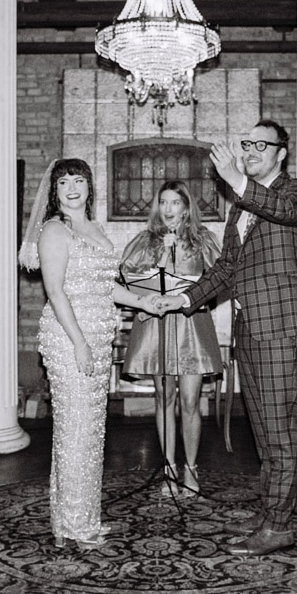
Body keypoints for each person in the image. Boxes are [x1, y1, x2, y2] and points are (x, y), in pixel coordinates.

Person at [158, 119, 297, 556]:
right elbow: (227, 269)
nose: (250, 150)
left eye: (260, 145)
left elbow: (280, 211)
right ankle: (271, 515)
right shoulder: (240, 208)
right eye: (245, 144)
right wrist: (183, 299)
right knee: (265, 433)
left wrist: (238, 181)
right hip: (250, 332)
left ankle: (279, 526)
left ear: (281, 152)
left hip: (283, 329)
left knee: (280, 430)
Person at [18, 158, 159, 552]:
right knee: (76, 433)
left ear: (89, 186)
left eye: (79, 180)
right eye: (64, 182)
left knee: (88, 433)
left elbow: (105, 286)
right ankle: (77, 526)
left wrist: (145, 302)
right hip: (69, 339)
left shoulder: (94, 228)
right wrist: (79, 342)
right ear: (55, 191)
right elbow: (57, 291)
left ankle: (75, 520)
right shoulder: (54, 230)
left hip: (98, 338)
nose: (73, 187)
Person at [119, 180, 223, 498]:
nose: (168, 209)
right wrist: (163, 254)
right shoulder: (146, 241)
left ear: (186, 206)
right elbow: (127, 279)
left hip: (190, 325)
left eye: (175, 203)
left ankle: (191, 469)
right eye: (163, 202)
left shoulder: (203, 240)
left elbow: (220, 278)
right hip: (157, 325)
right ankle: (169, 469)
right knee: (164, 399)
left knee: (190, 401)